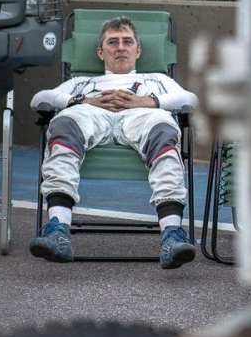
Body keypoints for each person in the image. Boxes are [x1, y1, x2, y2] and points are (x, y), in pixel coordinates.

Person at [29, 16, 198, 269]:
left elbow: (191, 100)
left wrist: (147, 101)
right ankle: (57, 231)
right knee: (63, 125)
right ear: (100, 52)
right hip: (90, 114)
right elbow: (39, 99)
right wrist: (83, 100)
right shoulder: (82, 82)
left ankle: (172, 235)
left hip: (143, 115)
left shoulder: (156, 80)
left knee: (164, 131)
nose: (120, 47)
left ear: (138, 51)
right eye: (112, 42)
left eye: (127, 42)